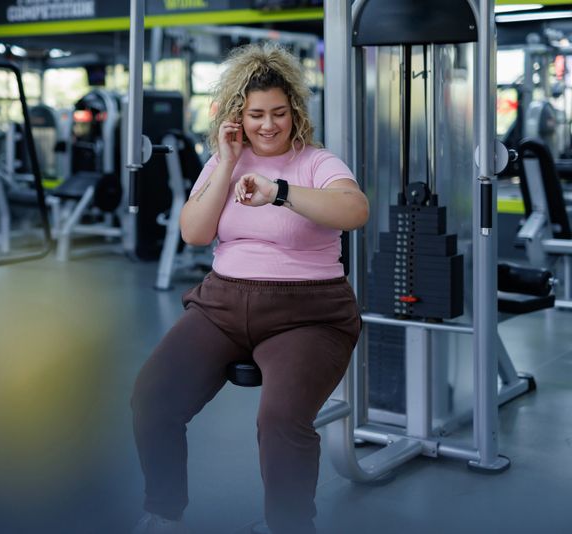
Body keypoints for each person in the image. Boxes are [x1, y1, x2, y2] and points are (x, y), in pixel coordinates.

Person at [131, 42, 368, 534]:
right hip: (221, 304)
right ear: (238, 115)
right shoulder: (225, 162)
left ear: (293, 112)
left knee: (280, 421)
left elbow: (355, 211)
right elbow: (195, 233)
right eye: (256, 113)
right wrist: (225, 162)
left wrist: (278, 192)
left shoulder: (316, 162)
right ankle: (163, 512)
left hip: (309, 315)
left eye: (278, 112)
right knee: (152, 397)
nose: (268, 124)